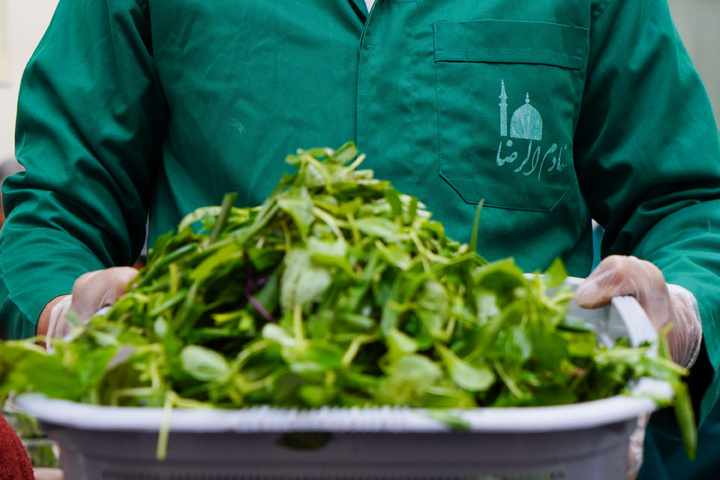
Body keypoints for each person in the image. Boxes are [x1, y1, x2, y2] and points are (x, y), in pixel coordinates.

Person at [0, 0, 718, 478]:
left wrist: (679, 311)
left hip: (522, 450)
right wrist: (63, 313)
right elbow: (58, 203)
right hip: (214, 445)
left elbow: (686, 201)